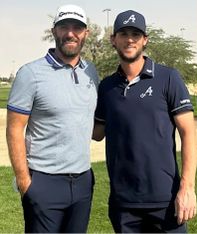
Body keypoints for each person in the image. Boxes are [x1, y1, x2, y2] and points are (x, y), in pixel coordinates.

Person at [92, 10, 197, 233]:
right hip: (123, 204)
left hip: (165, 200)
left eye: (136, 34)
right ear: (113, 40)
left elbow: (188, 133)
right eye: (123, 33)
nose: (130, 39)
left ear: (145, 40)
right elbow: (96, 132)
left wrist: (187, 188)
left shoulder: (168, 77)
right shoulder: (107, 87)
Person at [6, 4, 99, 233]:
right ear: (54, 31)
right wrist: (24, 181)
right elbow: (15, 129)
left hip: (83, 181)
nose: (70, 33)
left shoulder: (91, 72)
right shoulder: (31, 74)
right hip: (43, 181)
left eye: (77, 28)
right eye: (64, 27)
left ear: (85, 33)